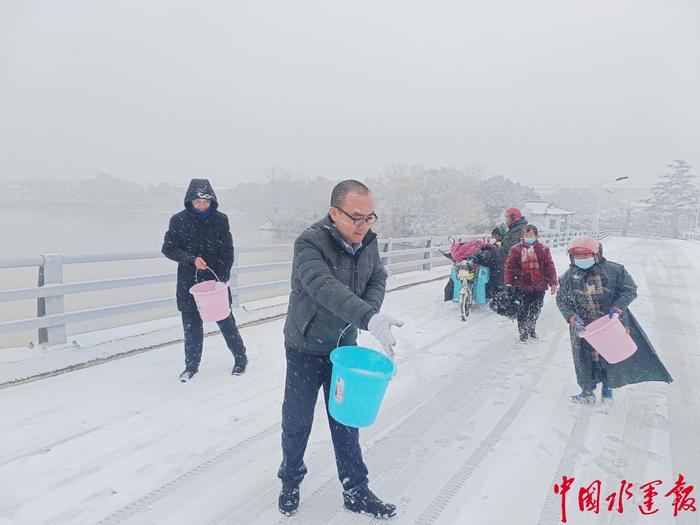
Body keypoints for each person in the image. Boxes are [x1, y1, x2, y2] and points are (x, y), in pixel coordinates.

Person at [278, 180, 403, 518]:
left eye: (370, 217)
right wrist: (367, 316)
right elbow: (323, 287)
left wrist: (371, 314)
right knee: (297, 419)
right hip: (305, 346)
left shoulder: (368, 242)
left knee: (346, 420)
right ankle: (290, 478)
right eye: (356, 217)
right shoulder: (309, 243)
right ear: (334, 213)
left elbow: (377, 276)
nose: (364, 226)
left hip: (344, 348)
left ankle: (355, 490)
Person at [556, 236, 672, 406]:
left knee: (609, 356)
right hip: (585, 328)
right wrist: (572, 317)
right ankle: (587, 391)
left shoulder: (615, 271)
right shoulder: (568, 277)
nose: (582, 261)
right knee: (585, 360)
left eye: (586, 256)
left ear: (597, 254)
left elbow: (630, 290)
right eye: (578, 258)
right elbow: (561, 300)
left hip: (610, 325)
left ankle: (607, 390)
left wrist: (617, 307)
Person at [162, 179, 247, 382]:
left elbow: (227, 250)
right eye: (197, 201)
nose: (201, 205)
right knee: (191, 327)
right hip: (188, 283)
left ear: (212, 201)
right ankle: (191, 366)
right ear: (190, 201)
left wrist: (223, 277)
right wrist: (191, 259)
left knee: (226, 322)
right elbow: (168, 249)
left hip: (215, 281)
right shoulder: (178, 220)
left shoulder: (221, 220)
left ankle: (240, 358)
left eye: (205, 201)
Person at [504, 224, 558, 343]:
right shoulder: (515, 249)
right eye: (526, 234)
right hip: (522, 285)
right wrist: (508, 283)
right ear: (522, 235)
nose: (529, 236)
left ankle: (531, 328)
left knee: (536, 309)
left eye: (531, 234)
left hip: (539, 285)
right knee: (523, 309)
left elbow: (550, 266)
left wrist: (553, 282)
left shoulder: (543, 249)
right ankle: (523, 332)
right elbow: (509, 267)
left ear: (536, 235)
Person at [472, 228, 505, 299]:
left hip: (497, 276)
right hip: (500, 274)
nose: (493, 238)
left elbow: (484, 257)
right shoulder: (502, 246)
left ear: (498, 236)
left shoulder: (497, 248)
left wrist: (476, 260)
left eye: (493, 236)